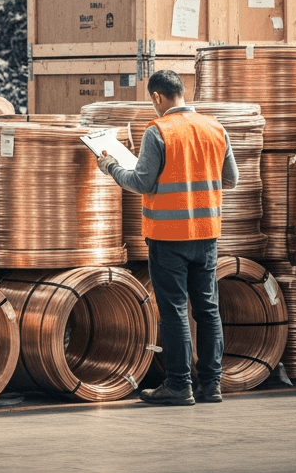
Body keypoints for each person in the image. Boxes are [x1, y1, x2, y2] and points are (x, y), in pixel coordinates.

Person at [95, 69, 238, 406]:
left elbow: (142, 183)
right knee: (207, 310)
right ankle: (211, 385)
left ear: (158, 98)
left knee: (174, 311)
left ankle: (178, 385)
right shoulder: (215, 128)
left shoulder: (157, 131)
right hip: (206, 235)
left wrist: (112, 167)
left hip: (168, 236)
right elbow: (230, 179)